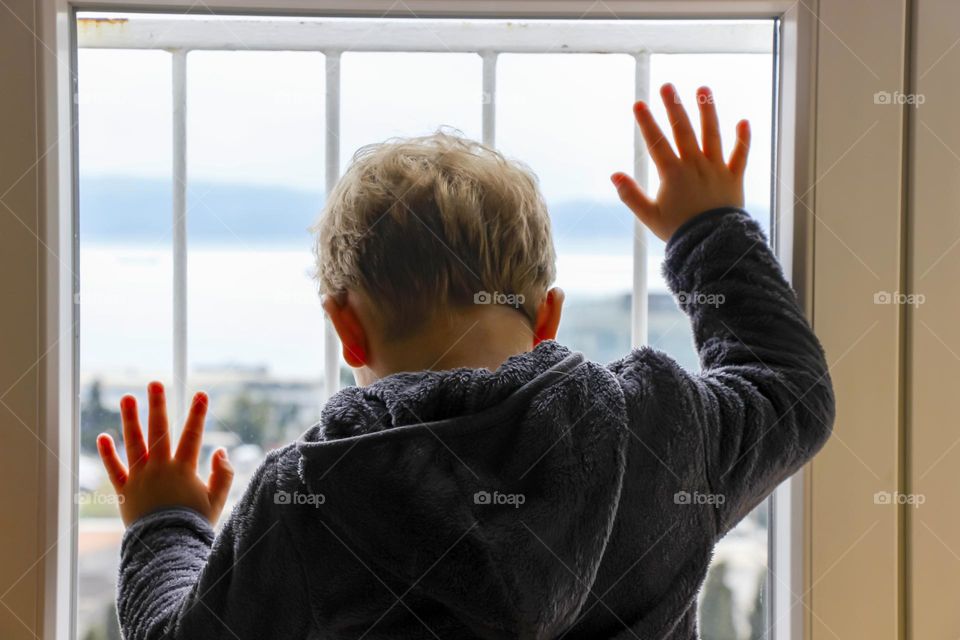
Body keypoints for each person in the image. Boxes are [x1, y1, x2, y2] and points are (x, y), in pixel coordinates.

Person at [97, 83, 834, 639]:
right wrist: (709, 229)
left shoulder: (310, 499)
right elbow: (790, 390)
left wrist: (166, 519)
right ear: (546, 316)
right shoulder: (657, 433)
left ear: (345, 329)